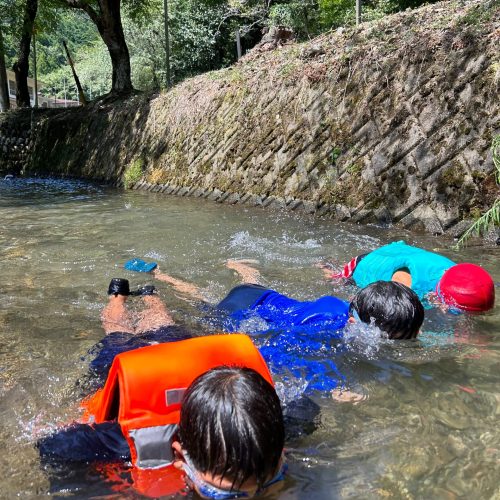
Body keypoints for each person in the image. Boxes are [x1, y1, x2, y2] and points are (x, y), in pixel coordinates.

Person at [39, 280, 286, 499]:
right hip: (135, 370)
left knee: (163, 324)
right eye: (222, 495)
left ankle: (150, 296)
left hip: (179, 360)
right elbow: (53, 446)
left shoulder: (267, 432)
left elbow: (307, 408)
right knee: (118, 332)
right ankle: (117, 298)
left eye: (271, 482)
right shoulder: (120, 443)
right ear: (179, 456)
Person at [326, 241, 495, 312]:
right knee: (335, 278)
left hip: (398, 253)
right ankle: (325, 264)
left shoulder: (459, 274)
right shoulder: (408, 283)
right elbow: (382, 303)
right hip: (367, 263)